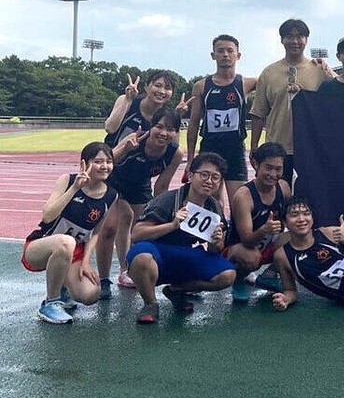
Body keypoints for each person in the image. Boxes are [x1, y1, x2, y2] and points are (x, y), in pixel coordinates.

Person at [127, 152, 236, 324]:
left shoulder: (214, 207)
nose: (209, 181)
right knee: (142, 258)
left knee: (228, 275)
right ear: (191, 176)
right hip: (157, 253)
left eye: (215, 177)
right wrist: (172, 225)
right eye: (204, 175)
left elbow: (215, 250)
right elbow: (136, 234)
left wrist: (216, 241)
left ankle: (177, 289)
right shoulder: (168, 200)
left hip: (187, 256)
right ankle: (150, 303)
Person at [22, 142, 119, 323]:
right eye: (98, 161)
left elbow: (96, 232)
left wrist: (86, 262)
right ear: (85, 163)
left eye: (109, 161)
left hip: (74, 252)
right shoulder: (67, 180)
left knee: (91, 294)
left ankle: (63, 288)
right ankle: (50, 303)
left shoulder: (111, 195)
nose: (104, 166)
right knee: (66, 242)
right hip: (42, 245)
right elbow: (48, 216)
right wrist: (75, 188)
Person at [96, 107, 183, 297]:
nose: (163, 133)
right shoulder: (136, 139)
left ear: (176, 132)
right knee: (110, 227)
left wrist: (161, 214)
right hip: (113, 180)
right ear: (151, 126)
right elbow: (106, 162)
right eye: (159, 126)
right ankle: (103, 280)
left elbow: (162, 186)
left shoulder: (175, 153)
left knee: (141, 231)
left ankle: (127, 270)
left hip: (140, 185)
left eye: (170, 129)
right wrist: (125, 148)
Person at [250, 19, 335, 185]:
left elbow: (342, 92)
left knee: (308, 196)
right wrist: (254, 147)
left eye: (300, 36)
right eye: (289, 36)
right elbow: (259, 113)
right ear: (282, 40)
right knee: (277, 194)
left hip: (310, 146)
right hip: (278, 148)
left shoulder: (320, 70)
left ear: (306, 40)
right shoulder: (268, 73)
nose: (295, 41)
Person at [185, 34, 257, 204]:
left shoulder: (247, 83)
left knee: (239, 201)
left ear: (238, 55)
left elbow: (275, 84)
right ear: (213, 55)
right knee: (211, 201)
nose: (225, 55)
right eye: (220, 51)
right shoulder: (201, 86)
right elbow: (193, 123)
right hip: (210, 148)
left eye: (230, 51)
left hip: (235, 150)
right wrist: (190, 158)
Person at [225, 142, 291, 302]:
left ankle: (269, 275)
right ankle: (239, 279)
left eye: (278, 169)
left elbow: (287, 219)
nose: (273, 174)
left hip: (266, 243)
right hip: (239, 248)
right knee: (251, 257)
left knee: (300, 237)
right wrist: (265, 230)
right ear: (256, 165)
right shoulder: (244, 196)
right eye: (268, 168)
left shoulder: (283, 187)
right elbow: (246, 240)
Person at [103, 70, 190, 147]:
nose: (161, 91)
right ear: (146, 87)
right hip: (113, 155)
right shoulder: (127, 100)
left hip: (142, 159)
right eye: (157, 85)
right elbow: (110, 128)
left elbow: (173, 148)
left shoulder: (166, 115)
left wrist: (177, 117)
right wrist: (127, 100)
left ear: (172, 93)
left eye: (167, 88)